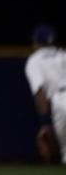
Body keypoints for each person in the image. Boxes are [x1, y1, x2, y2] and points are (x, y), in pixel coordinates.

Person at [24, 24, 66, 164]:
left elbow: (40, 93)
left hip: (61, 101)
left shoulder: (34, 61)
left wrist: (45, 124)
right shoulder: (63, 54)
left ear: (36, 42)